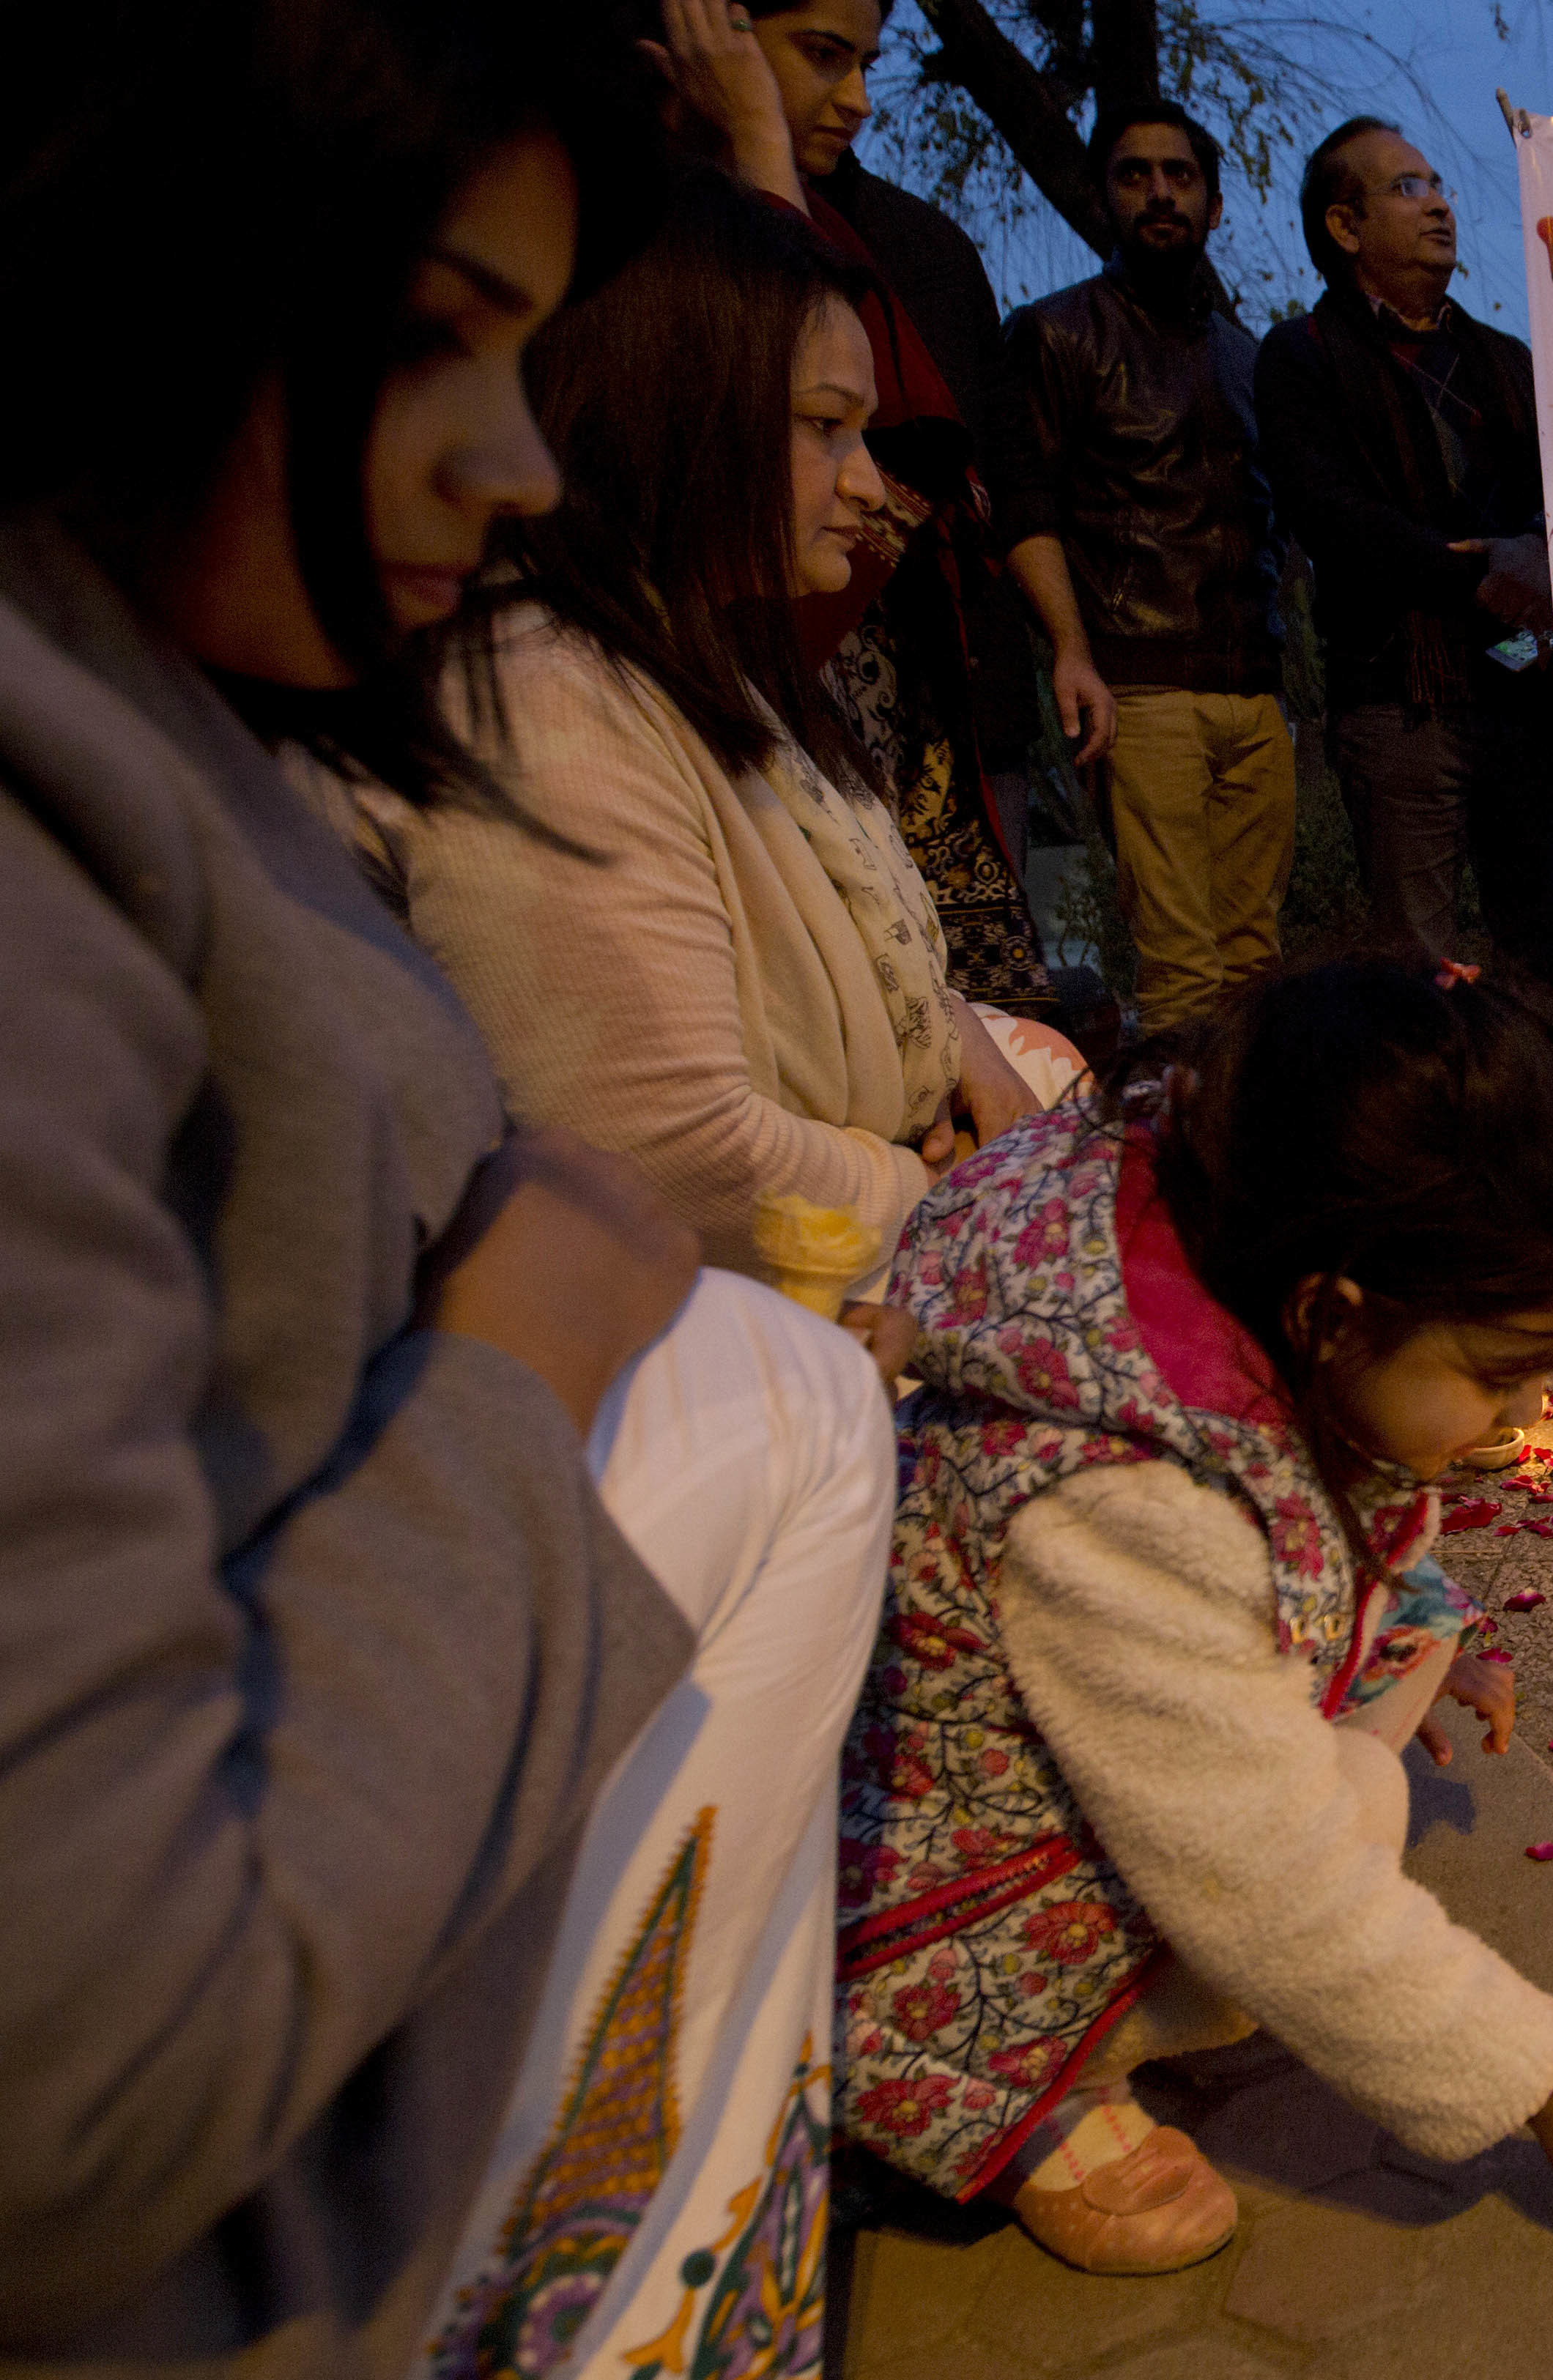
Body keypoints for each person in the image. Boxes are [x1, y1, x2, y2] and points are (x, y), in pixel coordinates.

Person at [1, 9, 890, 2373]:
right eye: (428, 341)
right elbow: (83, 2051)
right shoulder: (81, 803)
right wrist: (513, 1361)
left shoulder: (210, 711)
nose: (509, 462)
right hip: (204, 2197)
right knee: (823, 1392)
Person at [837, 957, 1553, 2272]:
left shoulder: (1213, 1227)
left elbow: (1321, 1476)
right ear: (1330, 1313)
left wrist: (1424, 1612)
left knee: (1355, 1775)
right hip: (922, 1938)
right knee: (1333, 1825)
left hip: (1092, 1751)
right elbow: (1264, 1876)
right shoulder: (1119, 1489)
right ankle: (1020, 2100)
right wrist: (1542, 2082)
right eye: (1503, 1375)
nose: (1533, 1418)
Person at [355, 174, 1053, 1286]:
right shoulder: (545, 701)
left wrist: (964, 1042)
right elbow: (665, 1158)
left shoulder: (709, 659)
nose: (871, 486)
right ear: (665, 407)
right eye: (827, 428)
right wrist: (944, 1192)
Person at [651, 0, 1062, 1017]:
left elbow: (976, 469)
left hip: (888, 691)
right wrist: (754, 132)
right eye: (821, 57)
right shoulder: (638, 216)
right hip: (733, 672)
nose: (858, 100)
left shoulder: (905, 242)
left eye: (868, 62)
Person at [1255, 117, 1553, 985]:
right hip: (1397, 689)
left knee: (1546, 957)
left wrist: (1536, 557)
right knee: (1416, 968)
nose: (1436, 204)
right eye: (1405, 188)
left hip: (1517, 676)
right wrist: (1488, 570)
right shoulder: (1303, 355)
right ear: (1343, 226)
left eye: (1438, 184)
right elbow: (1331, 518)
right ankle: (1436, 1123)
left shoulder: (1502, 360)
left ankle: (1551, 1118)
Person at [994, 99, 1292, 1037]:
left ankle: (1244, 1163)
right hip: (1141, 683)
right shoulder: (1057, 333)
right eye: (1135, 174)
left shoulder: (1246, 355)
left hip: (1255, 689)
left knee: (1257, 964)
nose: (1159, 191)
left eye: (1180, 174)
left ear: (1213, 205)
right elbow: (1025, 503)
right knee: (1180, 970)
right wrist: (1071, 652)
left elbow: (1272, 519)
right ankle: (1177, 1171)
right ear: (1101, 199)